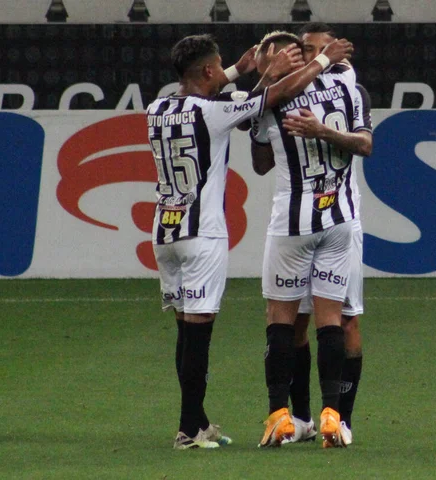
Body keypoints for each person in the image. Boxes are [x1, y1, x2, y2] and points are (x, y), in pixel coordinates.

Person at [146, 33, 353, 450]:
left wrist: (242, 69)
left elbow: (217, 91)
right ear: (207, 71)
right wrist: (316, 62)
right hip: (201, 234)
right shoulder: (214, 112)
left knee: (184, 334)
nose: (224, 70)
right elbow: (269, 99)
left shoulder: (157, 108)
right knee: (198, 336)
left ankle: (198, 421)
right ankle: (189, 430)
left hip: (164, 231)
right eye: (218, 65)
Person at [250, 31, 370, 448]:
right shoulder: (345, 84)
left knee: (280, 319)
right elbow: (365, 142)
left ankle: (279, 415)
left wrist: (266, 86)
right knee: (329, 320)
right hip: (337, 219)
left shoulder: (270, 99)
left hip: (293, 224)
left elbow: (260, 164)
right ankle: (328, 416)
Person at [284, 22, 373, 447]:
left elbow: (364, 144)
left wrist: (323, 131)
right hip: (298, 224)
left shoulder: (352, 91)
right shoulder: (286, 94)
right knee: (296, 323)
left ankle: (342, 418)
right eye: (305, 49)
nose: (310, 56)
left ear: (339, 56)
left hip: (342, 221)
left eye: (320, 50)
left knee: (346, 322)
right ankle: (300, 418)